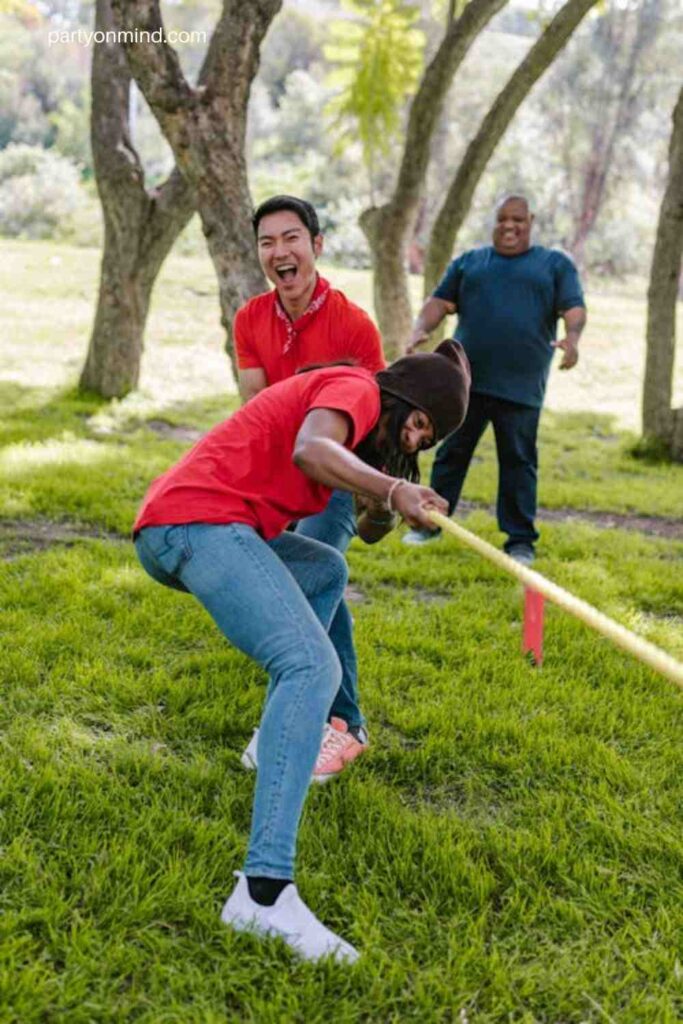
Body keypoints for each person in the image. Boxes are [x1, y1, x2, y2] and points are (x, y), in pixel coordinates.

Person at [133, 341, 471, 963]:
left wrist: (388, 502)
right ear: (400, 397)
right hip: (193, 523)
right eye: (421, 422)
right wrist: (394, 488)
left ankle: (276, 735)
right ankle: (262, 897)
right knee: (313, 665)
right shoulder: (357, 388)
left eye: (429, 438)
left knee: (324, 568)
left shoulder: (368, 437)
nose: (418, 440)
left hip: (194, 525)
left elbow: (367, 525)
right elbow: (310, 450)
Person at [234, 195, 386, 781]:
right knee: (304, 581)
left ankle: (340, 724)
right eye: (267, 242)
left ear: (317, 246)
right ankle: (328, 718)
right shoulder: (250, 319)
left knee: (318, 571)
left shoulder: (354, 326)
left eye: (291, 238)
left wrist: (374, 497)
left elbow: (368, 424)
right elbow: (255, 408)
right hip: (280, 478)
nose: (280, 252)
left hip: (336, 480)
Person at [402, 193, 587, 564]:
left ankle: (520, 541)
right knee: (451, 454)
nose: (509, 226)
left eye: (518, 219)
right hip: (465, 382)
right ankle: (430, 523)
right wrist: (419, 328)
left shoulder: (553, 264)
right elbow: (439, 302)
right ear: (494, 221)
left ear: (531, 221)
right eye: (502, 218)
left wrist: (573, 339)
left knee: (518, 462)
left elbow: (574, 308)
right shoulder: (472, 262)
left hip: (521, 387)